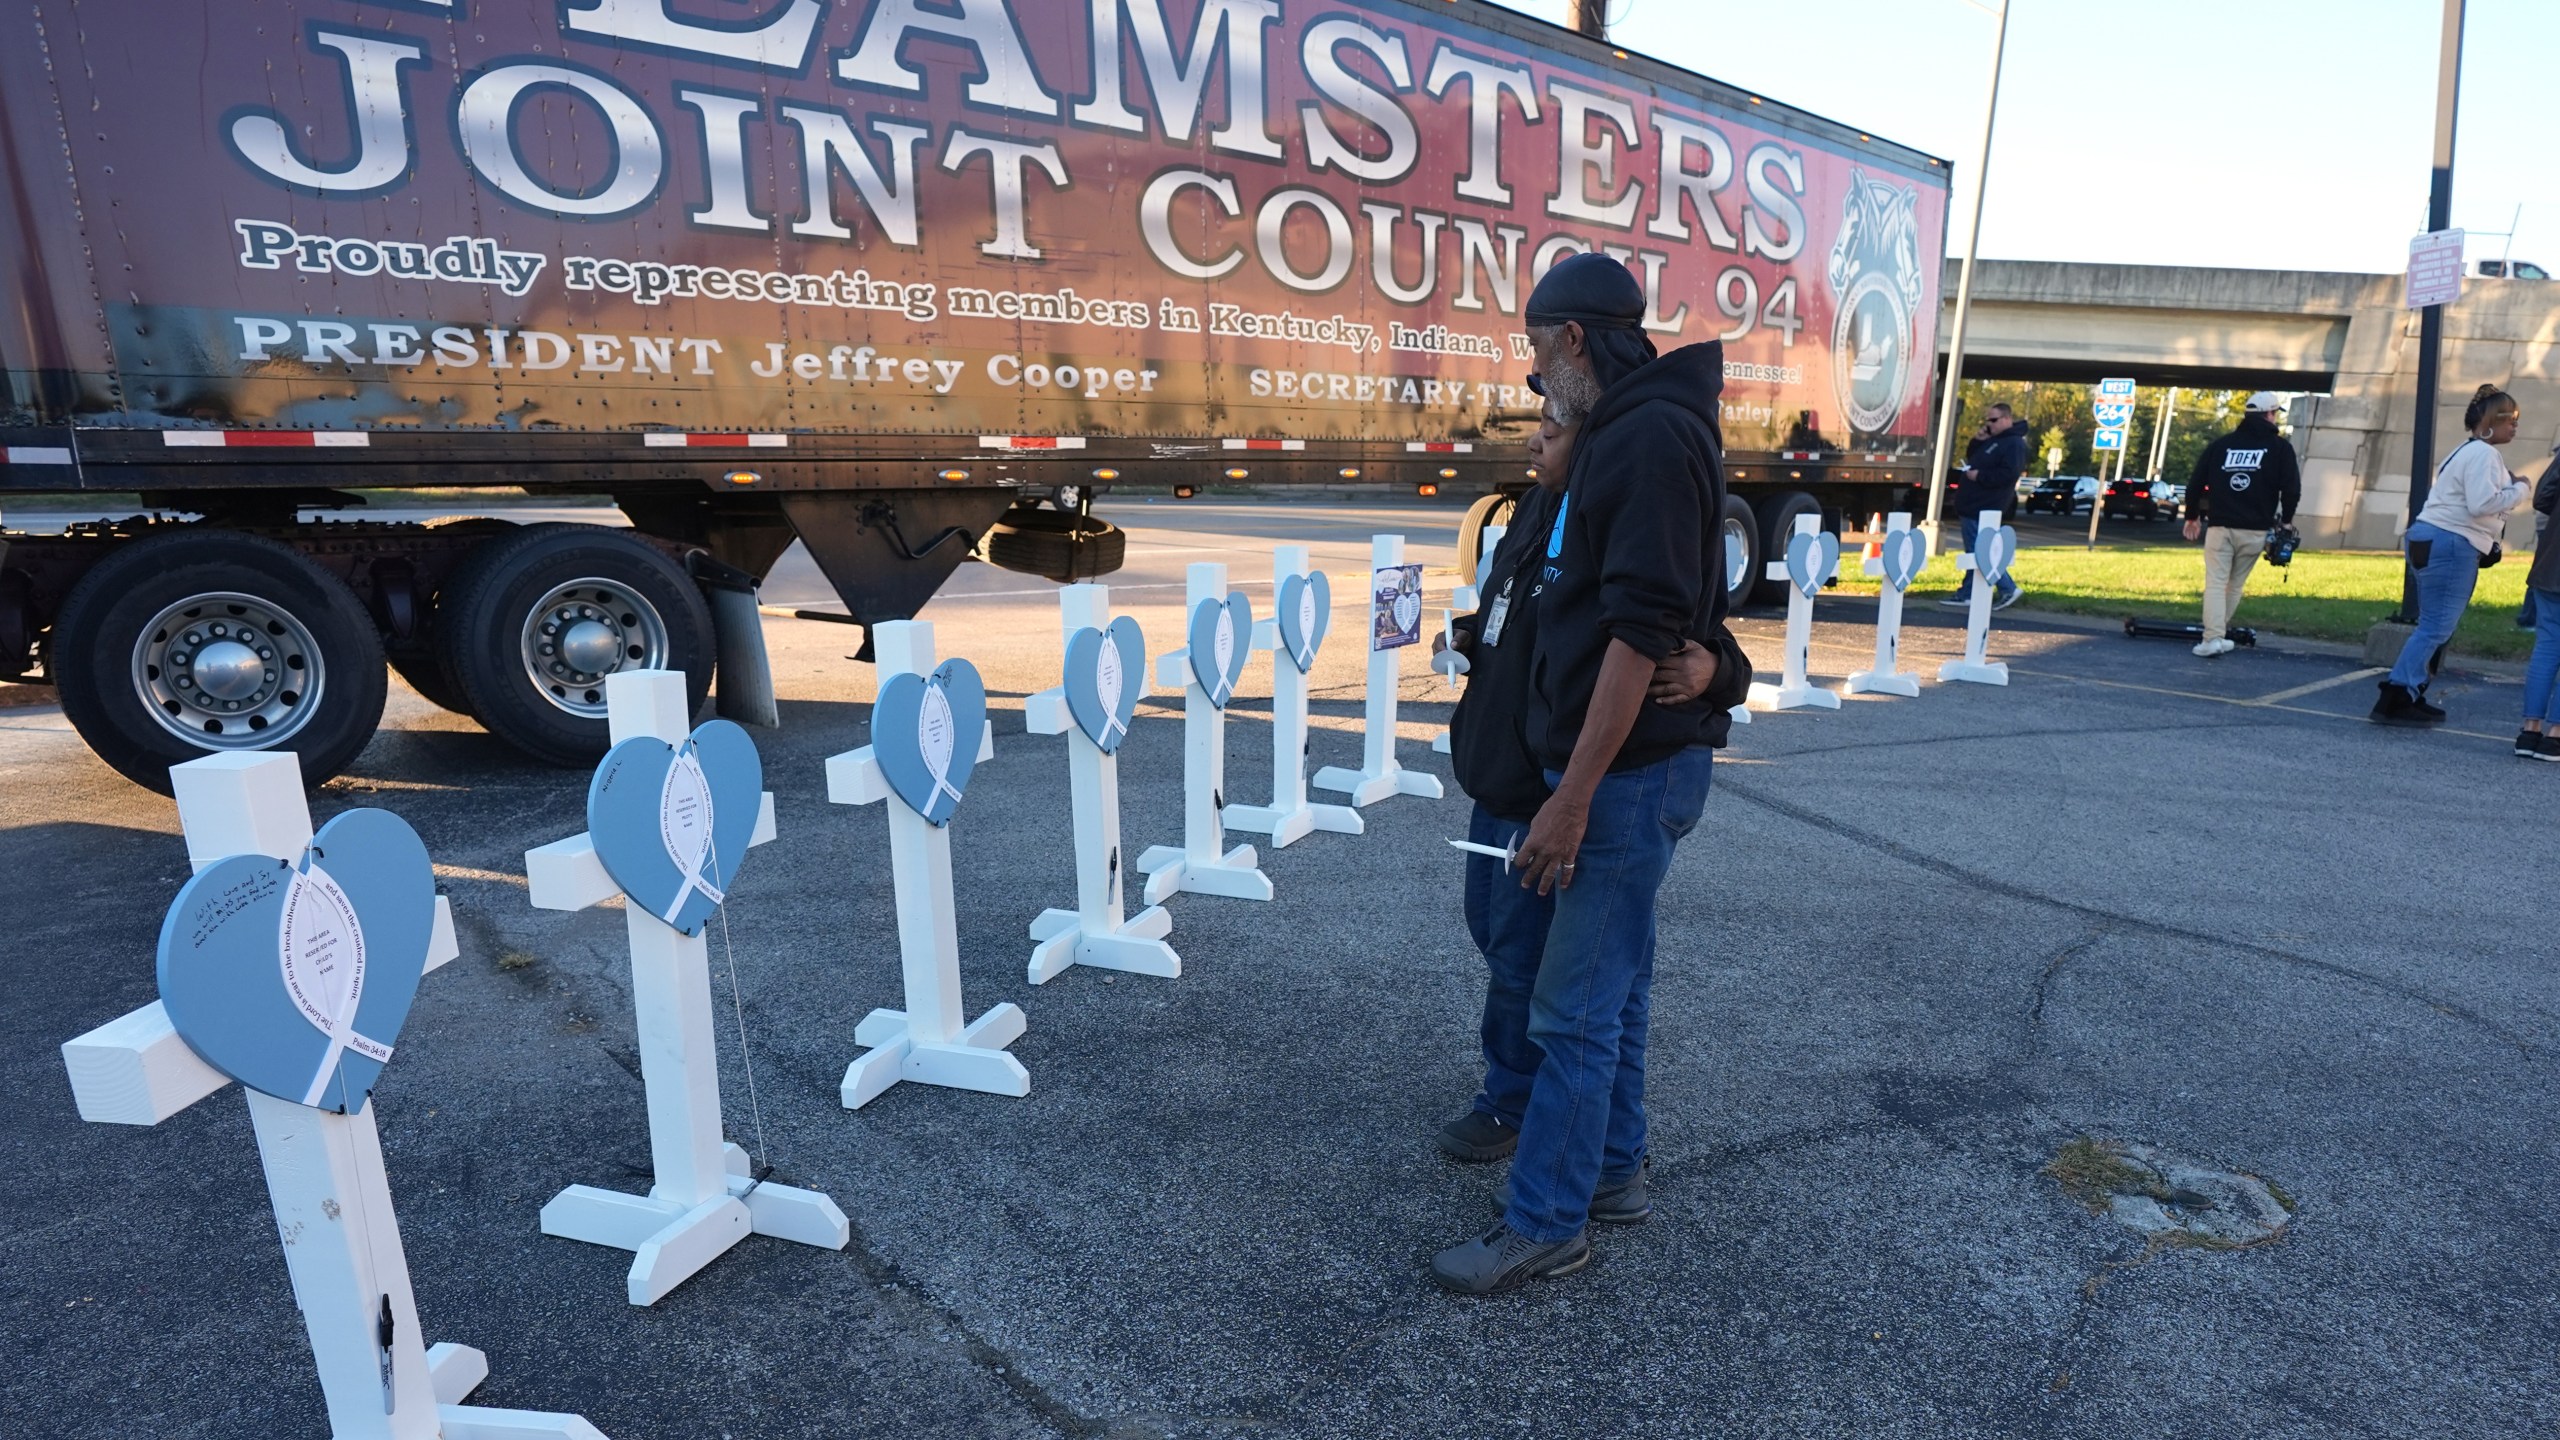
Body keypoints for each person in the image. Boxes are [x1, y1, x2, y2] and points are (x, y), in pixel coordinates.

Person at [1430, 253, 1724, 1296]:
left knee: (1572, 1012)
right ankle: (1611, 1173)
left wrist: (1569, 796)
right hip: (1622, 773)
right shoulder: (1624, 434)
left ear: (1572, 341)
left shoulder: (1643, 437)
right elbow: (1674, 617)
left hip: (1621, 780)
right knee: (1614, 991)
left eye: (1533, 348)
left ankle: (1546, 1222)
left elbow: (1641, 637)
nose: (1532, 376)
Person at [2372, 384, 2530, 726]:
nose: (2515, 426)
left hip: (2428, 538)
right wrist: (2520, 489)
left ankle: (2409, 691)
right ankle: (2396, 696)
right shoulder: (2485, 455)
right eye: (2510, 419)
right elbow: (2481, 504)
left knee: (2433, 626)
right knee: (2434, 628)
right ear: (2490, 421)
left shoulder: (2463, 451)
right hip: (2450, 543)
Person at [2180, 393, 2302, 656]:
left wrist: (2192, 516)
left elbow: (2195, 483)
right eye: (2275, 413)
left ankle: (2212, 638)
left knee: (2215, 581)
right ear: (2269, 414)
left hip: (2220, 527)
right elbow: (2291, 490)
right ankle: (2216, 636)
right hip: (2255, 530)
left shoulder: (2221, 445)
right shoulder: (2280, 448)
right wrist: (2287, 521)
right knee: (2234, 585)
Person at [1939, 402, 2026, 610]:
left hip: (1985, 506)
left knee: (1981, 552)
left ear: (2006, 419)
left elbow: (2009, 473)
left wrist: (1980, 476)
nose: (1990, 424)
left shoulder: (2013, 443)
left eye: (1994, 420)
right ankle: (1969, 592)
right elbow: (1975, 458)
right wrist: (1978, 441)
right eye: (1988, 420)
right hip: (1973, 505)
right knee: (1975, 551)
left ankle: (2007, 587)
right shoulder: (1994, 440)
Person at [2515, 457, 2560, 757]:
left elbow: (2543, 495)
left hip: (2551, 562)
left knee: (2546, 647)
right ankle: (2556, 734)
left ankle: (2530, 731)